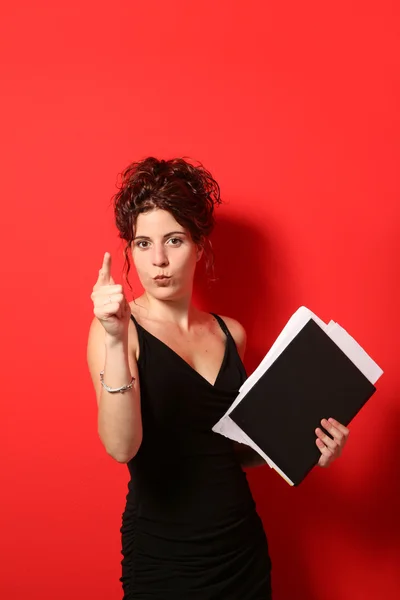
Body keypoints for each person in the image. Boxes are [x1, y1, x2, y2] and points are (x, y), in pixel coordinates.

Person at [87, 157, 350, 599]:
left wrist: (310, 446)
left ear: (199, 244)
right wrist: (114, 339)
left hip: (240, 551)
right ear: (130, 251)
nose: (159, 260)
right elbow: (120, 447)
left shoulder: (232, 333)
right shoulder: (117, 329)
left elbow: (233, 450)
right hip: (165, 557)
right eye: (142, 243)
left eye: (174, 240)